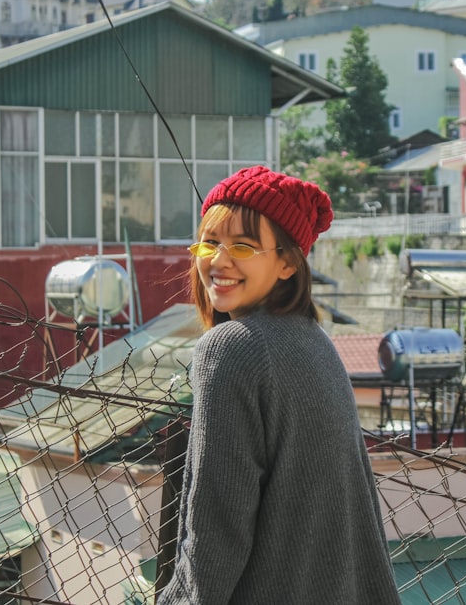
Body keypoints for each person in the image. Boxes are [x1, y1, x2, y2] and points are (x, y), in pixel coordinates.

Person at [158, 166, 401, 604]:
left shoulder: (231, 347)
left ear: (289, 262)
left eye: (244, 246)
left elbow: (218, 524)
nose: (219, 259)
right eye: (210, 242)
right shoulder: (314, 340)